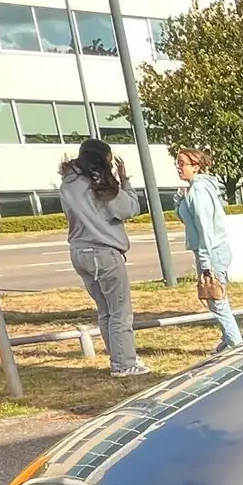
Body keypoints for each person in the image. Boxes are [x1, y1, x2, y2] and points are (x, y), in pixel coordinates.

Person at [60, 138, 149, 377]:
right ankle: (124, 364)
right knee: (120, 311)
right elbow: (129, 209)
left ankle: (118, 358)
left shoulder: (68, 182)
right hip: (104, 252)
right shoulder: (101, 185)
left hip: (79, 252)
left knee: (105, 311)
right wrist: (125, 182)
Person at [174, 148, 243, 351]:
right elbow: (190, 222)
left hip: (211, 252)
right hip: (211, 251)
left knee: (216, 300)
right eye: (177, 163)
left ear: (195, 167)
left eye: (182, 163)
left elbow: (205, 229)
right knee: (218, 297)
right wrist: (180, 201)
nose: (178, 167)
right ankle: (228, 341)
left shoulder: (199, 191)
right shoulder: (194, 189)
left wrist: (205, 263)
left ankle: (236, 345)